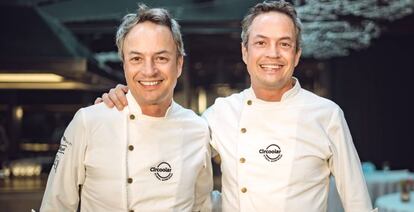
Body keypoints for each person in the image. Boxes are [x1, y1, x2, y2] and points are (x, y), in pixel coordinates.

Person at [97, 1, 377, 211]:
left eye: (284, 43)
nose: (272, 53)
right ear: (245, 51)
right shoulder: (220, 113)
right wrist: (123, 104)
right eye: (261, 42)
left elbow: (357, 202)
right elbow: (167, 136)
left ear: (297, 54)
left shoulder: (326, 115)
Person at [41, 4, 212, 212]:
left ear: (179, 64)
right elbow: (55, 206)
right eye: (136, 59)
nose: (149, 71)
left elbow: (202, 205)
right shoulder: (89, 122)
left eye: (161, 58)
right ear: (124, 65)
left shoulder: (198, 129)